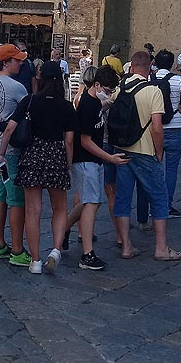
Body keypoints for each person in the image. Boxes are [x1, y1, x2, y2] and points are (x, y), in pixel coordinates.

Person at [112, 51, 181, 261]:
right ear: (150, 66)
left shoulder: (120, 89)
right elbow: (157, 128)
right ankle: (162, 248)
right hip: (144, 151)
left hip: (122, 150)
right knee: (159, 197)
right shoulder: (153, 91)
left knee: (123, 199)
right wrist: (159, 151)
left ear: (132, 66)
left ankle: (126, 246)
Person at [10, 61, 77, 273]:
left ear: (41, 77)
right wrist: (68, 164)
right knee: (60, 207)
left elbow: (11, 127)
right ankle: (56, 250)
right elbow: (69, 141)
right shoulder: (66, 106)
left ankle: (36, 260)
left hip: (33, 154)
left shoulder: (30, 101)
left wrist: (1, 153)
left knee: (33, 210)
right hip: (56, 154)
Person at [70, 65, 123, 270]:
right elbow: (85, 140)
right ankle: (87, 253)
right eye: (107, 90)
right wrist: (109, 158)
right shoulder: (89, 104)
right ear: (97, 85)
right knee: (91, 202)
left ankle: (64, 230)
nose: (107, 94)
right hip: (87, 159)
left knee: (89, 201)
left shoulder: (95, 102)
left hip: (93, 159)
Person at [0, 44, 30, 266]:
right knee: (16, 199)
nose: (20, 63)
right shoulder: (17, 88)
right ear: (6, 62)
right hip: (11, 149)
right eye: (16, 60)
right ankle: (16, 249)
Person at [149, 50, 181, 218]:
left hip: (156, 127)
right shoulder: (178, 80)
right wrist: (180, 110)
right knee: (172, 169)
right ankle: (167, 205)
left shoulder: (151, 79)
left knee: (154, 168)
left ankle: (154, 204)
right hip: (174, 127)